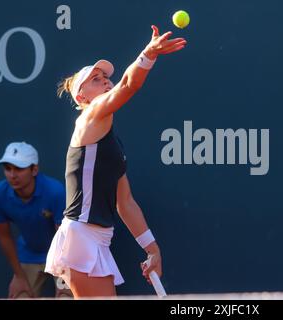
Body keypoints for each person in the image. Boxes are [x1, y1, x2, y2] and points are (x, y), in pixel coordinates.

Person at [45, 25, 186, 298]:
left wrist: (152, 248)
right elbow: (129, 84)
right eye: (96, 79)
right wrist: (148, 54)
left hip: (97, 238)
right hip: (81, 236)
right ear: (81, 97)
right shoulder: (89, 117)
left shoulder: (110, 146)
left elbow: (126, 202)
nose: (106, 81)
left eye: (106, 78)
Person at [0, 142, 72, 298]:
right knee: (20, 295)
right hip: (28, 255)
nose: (12, 175)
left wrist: (63, 277)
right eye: (8, 169)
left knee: (66, 297)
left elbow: (64, 239)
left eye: (19, 169)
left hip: (61, 258)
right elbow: (4, 236)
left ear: (34, 170)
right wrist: (19, 276)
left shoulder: (55, 192)